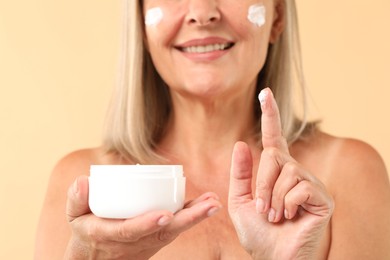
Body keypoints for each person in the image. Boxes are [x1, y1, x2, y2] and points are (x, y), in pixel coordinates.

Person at [35, 0, 390, 259]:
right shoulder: (84, 185)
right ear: (141, 21)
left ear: (277, 15)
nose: (202, 12)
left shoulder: (349, 172)